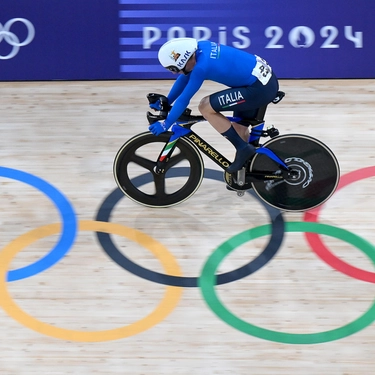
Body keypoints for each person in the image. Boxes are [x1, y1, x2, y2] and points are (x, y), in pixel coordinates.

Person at [148, 37, 279, 173]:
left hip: (258, 89)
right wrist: (168, 101)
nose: (173, 72)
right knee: (239, 129)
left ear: (183, 60)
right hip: (260, 82)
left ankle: (243, 148)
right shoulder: (199, 48)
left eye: (173, 68)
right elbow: (184, 77)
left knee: (205, 106)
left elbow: (184, 99)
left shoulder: (201, 68)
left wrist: (166, 124)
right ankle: (248, 171)